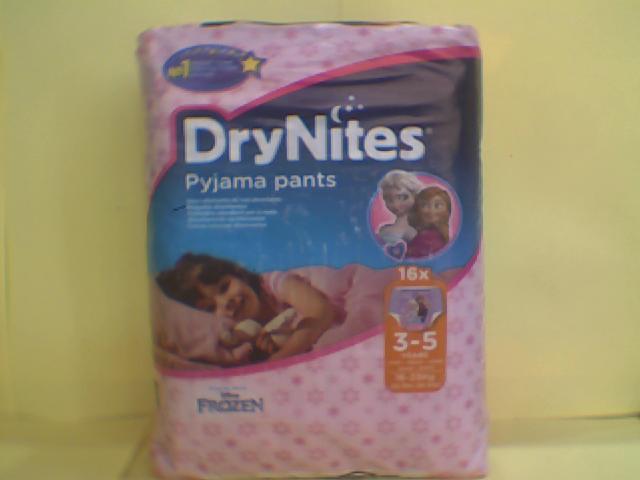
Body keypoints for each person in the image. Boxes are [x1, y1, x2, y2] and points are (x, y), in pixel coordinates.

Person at [377, 170, 424, 245]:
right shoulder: (384, 230)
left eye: (402, 198)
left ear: (415, 196)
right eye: (389, 200)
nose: (395, 205)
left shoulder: (424, 227)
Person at [406, 186, 452, 258]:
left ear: (447, 210)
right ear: (417, 209)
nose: (431, 211)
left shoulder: (432, 237)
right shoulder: (414, 233)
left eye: (438, 206)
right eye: (425, 205)